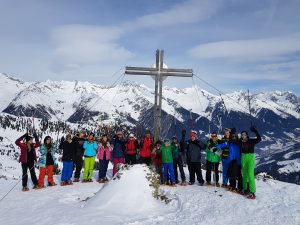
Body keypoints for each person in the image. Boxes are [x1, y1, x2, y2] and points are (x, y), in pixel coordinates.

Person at [239, 126, 261, 199]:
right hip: (243, 158)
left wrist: (255, 131)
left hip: (250, 158)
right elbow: (232, 141)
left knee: (250, 174)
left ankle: (252, 192)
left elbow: (259, 139)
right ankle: (246, 189)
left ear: (247, 135)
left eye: (245, 134)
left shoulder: (251, 141)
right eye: (242, 135)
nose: (243, 136)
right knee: (244, 174)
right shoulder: (240, 142)